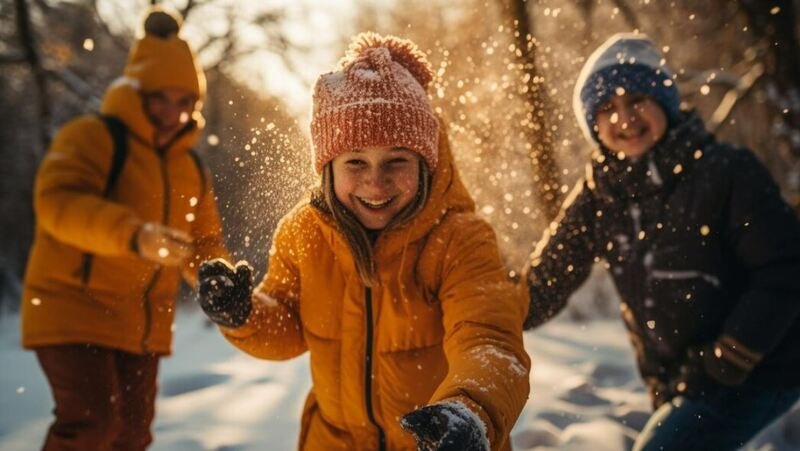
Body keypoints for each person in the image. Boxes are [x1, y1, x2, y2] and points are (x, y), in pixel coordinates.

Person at [197, 32, 530, 451]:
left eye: (397, 160)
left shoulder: (460, 240)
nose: (376, 181)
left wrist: (470, 409)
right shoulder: (304, 233)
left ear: (426, 164)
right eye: (355, 161)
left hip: (439, 443)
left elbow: (489, 341)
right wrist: (243, 313)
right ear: (328, 168)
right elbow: (286, 325)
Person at [522, 33, 800, 450]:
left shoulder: (725, 172)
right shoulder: (601, 195)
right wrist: (478, 311)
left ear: (664, 102)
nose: (624, 118)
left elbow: (785, 269)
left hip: (763, 369)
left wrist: (730, 357)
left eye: (636, 100)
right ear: (593, 125)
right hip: (681, 383)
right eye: (607, 109)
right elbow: (543, 285)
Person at [21, 7, 227, 450]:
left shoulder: (191, 166)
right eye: (161, 98)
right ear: (138, 92)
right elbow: (58, 204)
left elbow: (205, 242)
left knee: (132, 437)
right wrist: (134, 235)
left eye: (184, 102)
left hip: (142, 323)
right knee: (92, 425)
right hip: (73, 307)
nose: (173, 112)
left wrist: (218, 279)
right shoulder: (92, 137)